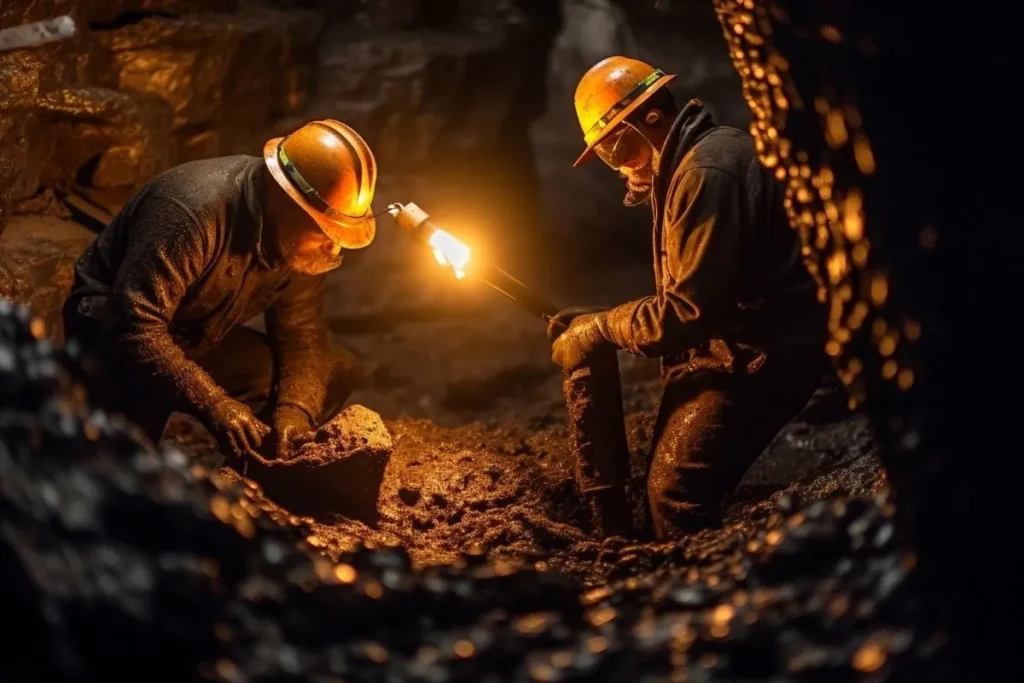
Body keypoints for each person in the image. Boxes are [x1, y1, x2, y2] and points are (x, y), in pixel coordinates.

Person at [549, 56, 829, 539]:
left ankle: (710, 580)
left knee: (676, 493)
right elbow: (698, 288)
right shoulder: (694, 160)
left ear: (652, 118)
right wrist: (602, 318)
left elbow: (688, 313)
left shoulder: (705, 173)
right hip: (747, 340)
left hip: (764, 353)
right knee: (664, 482)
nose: (619, 166)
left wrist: (603, 328)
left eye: (617, 148)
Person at [63, 119, 378, 461]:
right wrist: (214, 403)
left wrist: (294, 411)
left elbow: (301, 334)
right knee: (123, 469)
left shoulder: (296, 239)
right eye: (325, 232)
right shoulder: (192, 211)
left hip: (194, 334)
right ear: (284, 199)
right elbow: (133, 327)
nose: (333, 248)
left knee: (331, 372)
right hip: (113, 335)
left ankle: (262, 472)